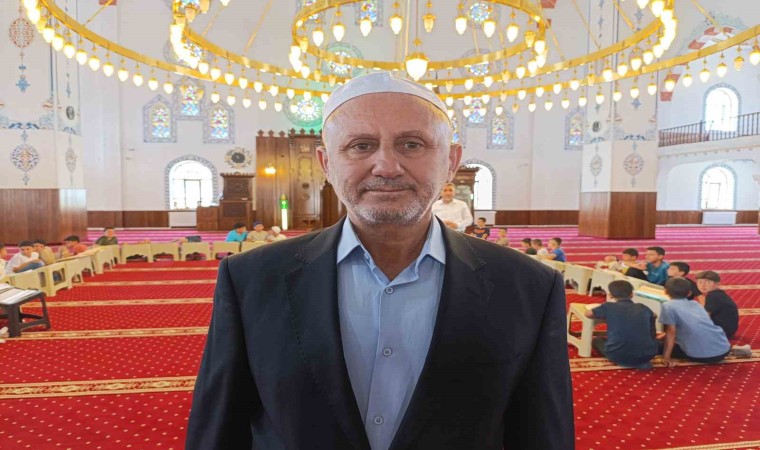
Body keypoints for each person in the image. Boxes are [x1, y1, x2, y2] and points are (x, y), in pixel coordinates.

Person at [187, 71, 574, 450]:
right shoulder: (251, 279)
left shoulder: (527, 287)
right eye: (360, 145)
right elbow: (220, 429)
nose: (387, 167)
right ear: (326, 163)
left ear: (451, 161)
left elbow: (541, 434)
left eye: (412, 144)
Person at [584, 280, 657, 369]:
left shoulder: (608, 306)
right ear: (632, 294)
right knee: (656, 342)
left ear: (610, 295)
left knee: (597, 340)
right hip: (646, 355)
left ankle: (625, 361)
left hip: (617, 355)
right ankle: (639, 361)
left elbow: (588, 314)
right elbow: (654, 315)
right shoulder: (642, 307)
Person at [659, 278, 731, 367]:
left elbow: (671, 333)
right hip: (724, 349)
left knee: (656, 345)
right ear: (689, 293)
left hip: (701, 356)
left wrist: (666, 357)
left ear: (665, 292)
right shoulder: (696, 304)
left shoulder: (668, 306)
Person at [695, 271, 740, 340]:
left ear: (717, 284)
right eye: (700, 282)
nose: (703, 285)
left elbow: (706, 317)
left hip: (722, 332)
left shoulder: (713, 296)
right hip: (727, 329)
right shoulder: (717, 293)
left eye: (708, 282)